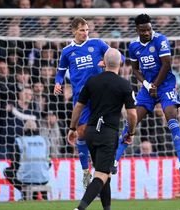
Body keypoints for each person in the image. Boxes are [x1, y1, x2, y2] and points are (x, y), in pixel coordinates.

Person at [113, 14, 180, 177]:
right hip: (148, 89)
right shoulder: (133, 46)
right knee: (131, 121)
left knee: (171, 117)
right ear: (137, 30)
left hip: (165, 85)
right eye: (143, 30)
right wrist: (148, 85)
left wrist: (155, 84)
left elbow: (167, 64)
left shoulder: (160, 40)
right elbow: (135, 69)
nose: (147, 32)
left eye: (149, 29)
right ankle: (114, 161)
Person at [69, 48, 137, 210]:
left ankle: (107, 208)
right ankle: (80, 208)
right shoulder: (124, 84)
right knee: (101, 174)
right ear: (120, 63)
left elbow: (78, 106)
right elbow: (132, 115)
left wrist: (72, 127)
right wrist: (131, 132)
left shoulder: (92, 81)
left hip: (90, 133)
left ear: (104, 63)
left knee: (104, 172)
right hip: (108, 133)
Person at [54, 17, 115, 187]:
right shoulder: (67, 51)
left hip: (101, 96)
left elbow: (119, 58)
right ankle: (85, 171)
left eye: (87, 30)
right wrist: (57, 83)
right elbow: (60, 72)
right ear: (74, 31)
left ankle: (108, 163)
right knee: (81, 133)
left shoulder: (98, 44)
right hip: (81, 98)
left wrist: (107, 62)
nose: (85, 33)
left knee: (104, 131)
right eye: (82, 30)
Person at [3, 120, 50, 200]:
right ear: (36, 129)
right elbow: (49, 163)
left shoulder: (20, 141)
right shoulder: (45, 140)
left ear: (24, 130)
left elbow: (15, 163)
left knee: (7, 171)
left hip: (25, 178)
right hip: (43, 178)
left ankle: (24, 193)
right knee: (36, 174)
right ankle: (37, 196)